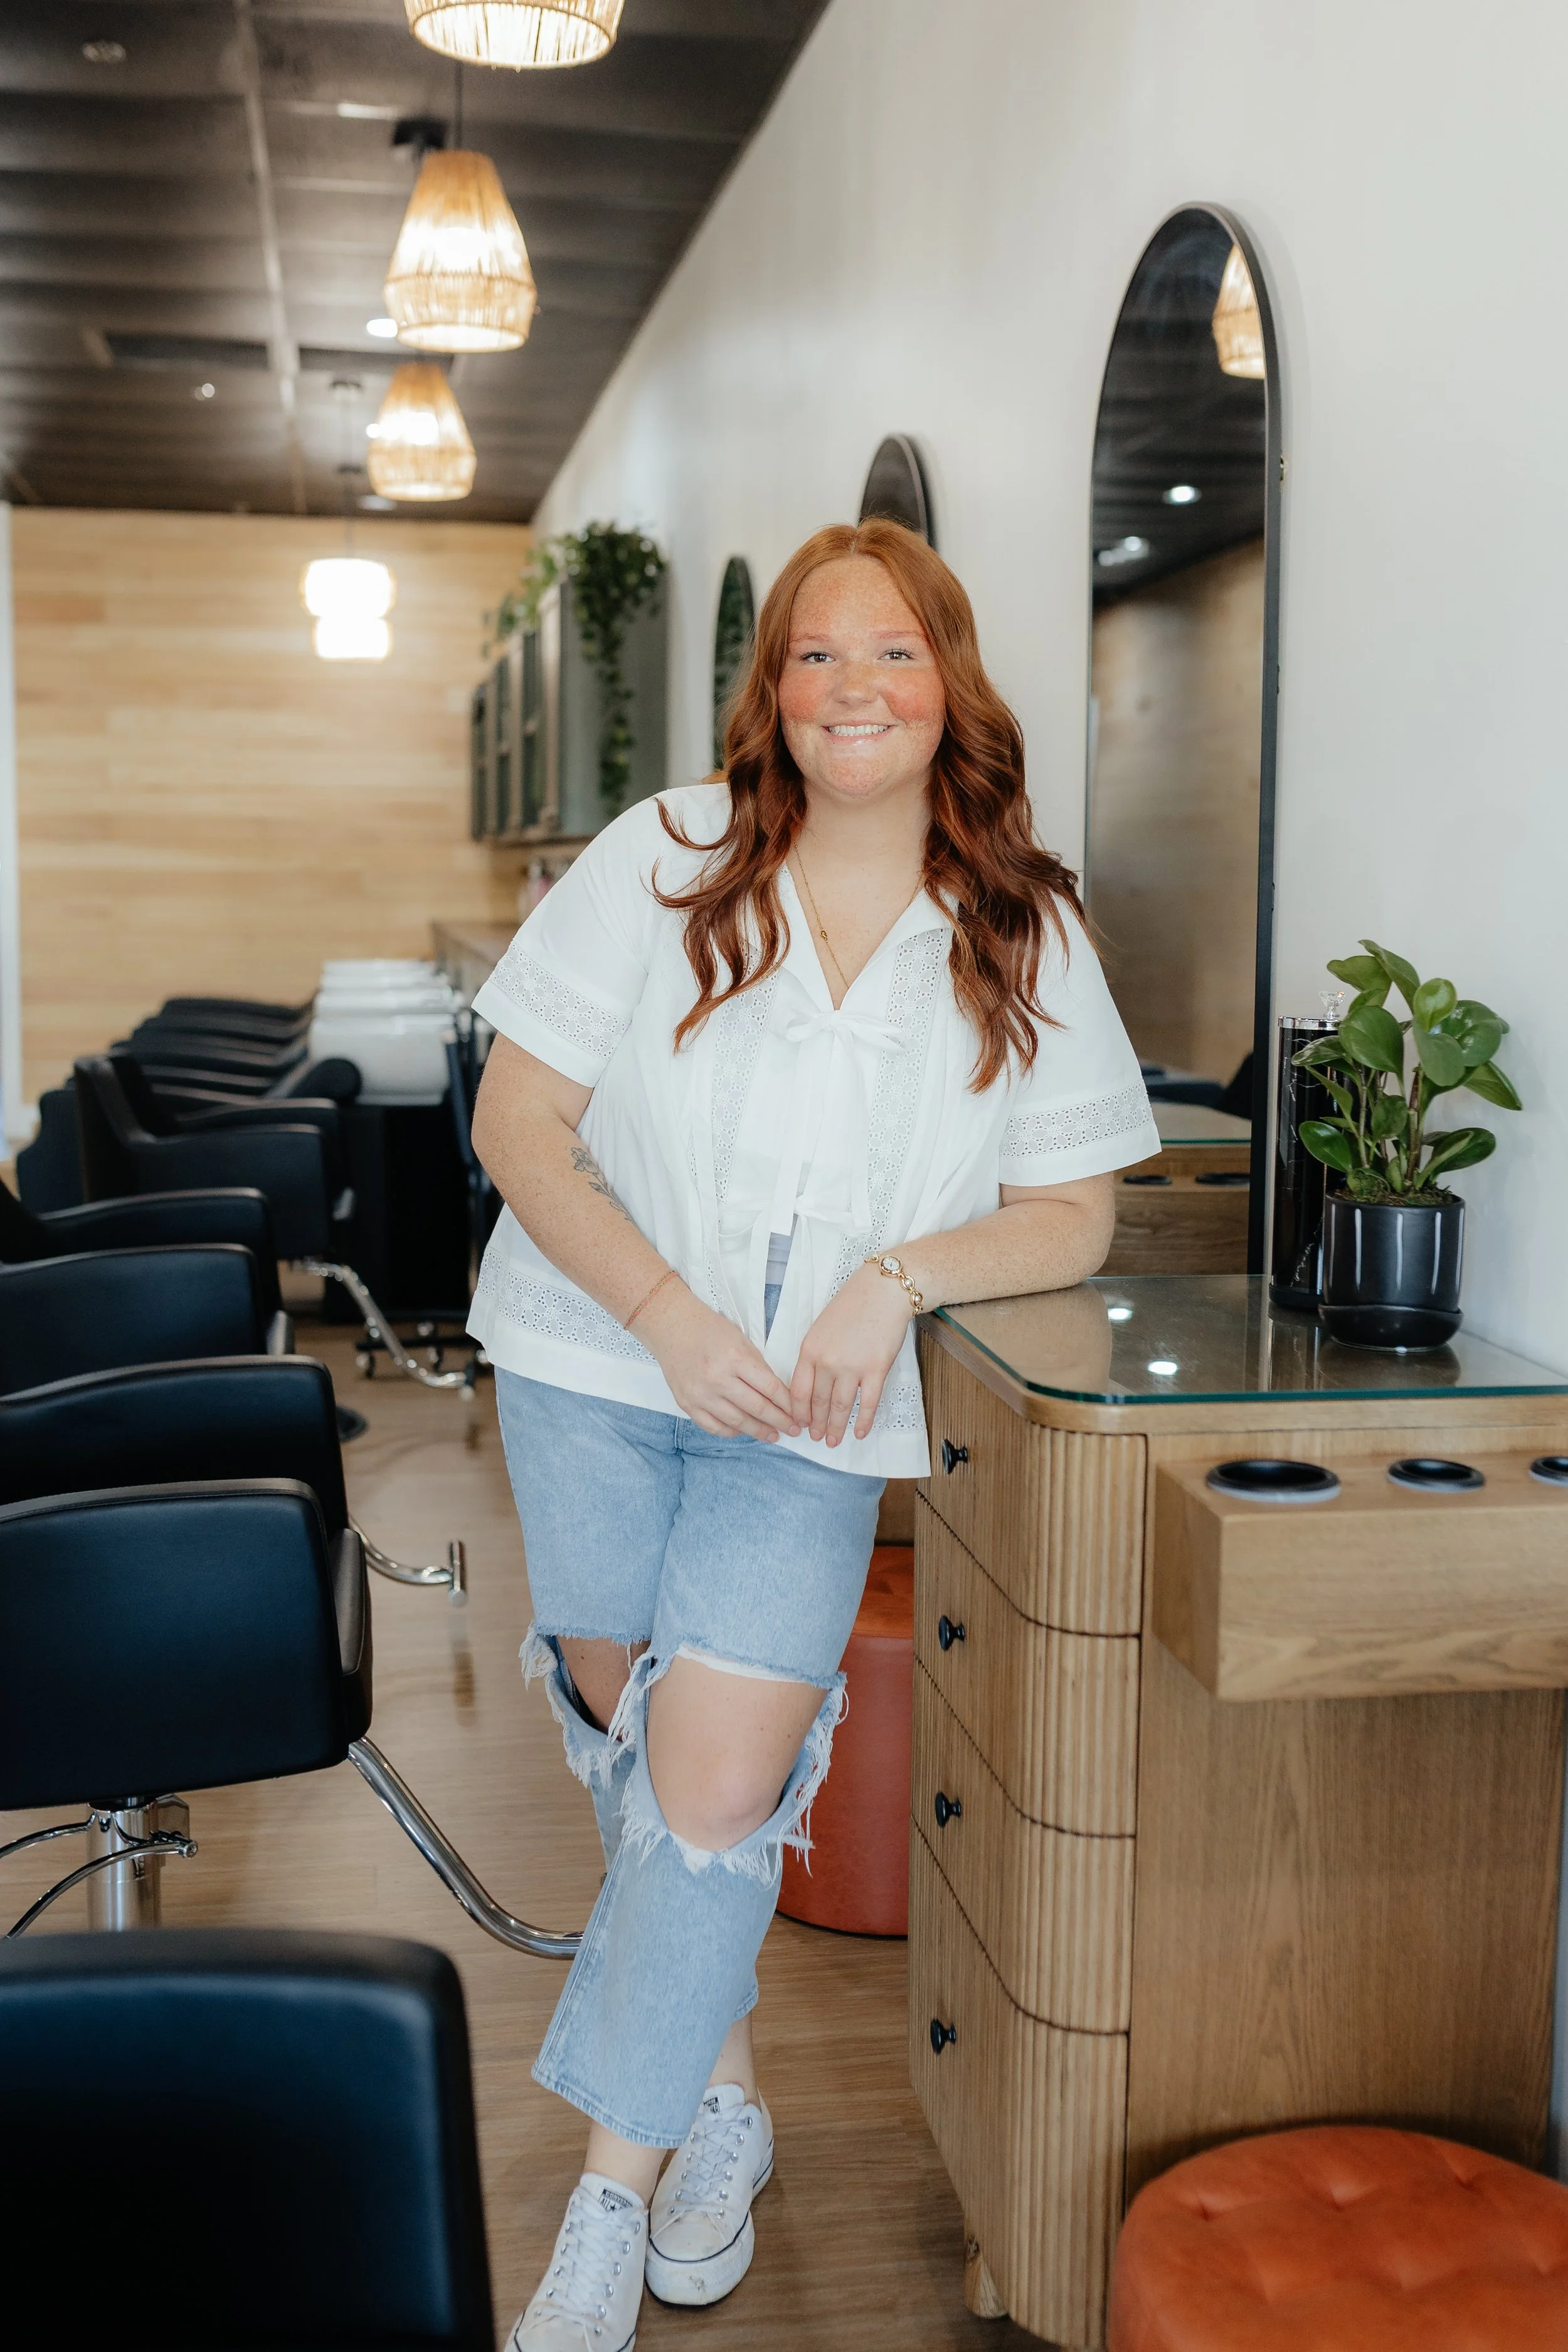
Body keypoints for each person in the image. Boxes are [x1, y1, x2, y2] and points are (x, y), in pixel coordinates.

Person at [469, 518, 1159, 2349]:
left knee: (705, 1791)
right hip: (595, 1369)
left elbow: (1074, 1209)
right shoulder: (665, 856)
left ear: (951, 685)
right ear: (770, 689)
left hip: (817, 1420)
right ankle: (725, 2093)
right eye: (815, 656)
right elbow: (518, 1125)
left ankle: (599, 2205)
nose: (854, 688)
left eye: (894, 654)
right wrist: (669, 1317)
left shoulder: (1020, 919)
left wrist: (898, 1277)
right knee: (645, 1761)